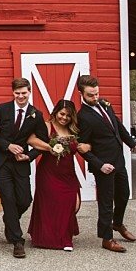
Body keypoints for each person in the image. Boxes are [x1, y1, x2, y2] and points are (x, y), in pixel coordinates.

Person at [76, 73, 136, 251]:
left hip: (118, 160)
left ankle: (117, 223)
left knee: (124, 194)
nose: (95, 97)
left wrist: (132, 143)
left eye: (97, 93)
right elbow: (82, 148)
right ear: (81, 94)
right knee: (106, 202)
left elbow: (117, 126)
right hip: (103, 166)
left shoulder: (105, 103)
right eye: (91, 95)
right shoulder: (83, 117)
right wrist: (100, 165)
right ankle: (107, 238)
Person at [0, 77, 47, 257]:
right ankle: (17, 241)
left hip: (21, 163)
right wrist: (7, 145)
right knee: (8, 198)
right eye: (17, 93)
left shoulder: (36, 114)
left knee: (25, 199)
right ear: (13, 93)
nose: (20, 96)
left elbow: (43, 142)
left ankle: (9, 220)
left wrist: (29, 156)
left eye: (24, 93)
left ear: (29, 92)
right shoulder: (2, 109)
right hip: (1, 162)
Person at [27, 98, 87, 251]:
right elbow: (31, 139)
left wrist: (89, 145)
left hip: (68, 173)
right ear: (55, 112)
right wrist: (49, 147)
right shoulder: (47, 126)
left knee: (73, 204)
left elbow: (85, 144)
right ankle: (53, 239)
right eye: (62, 114)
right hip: (49, 171)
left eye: (68, 115)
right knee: (50, 204)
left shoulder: (73, 130)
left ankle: (63, 235)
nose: (64, 118)